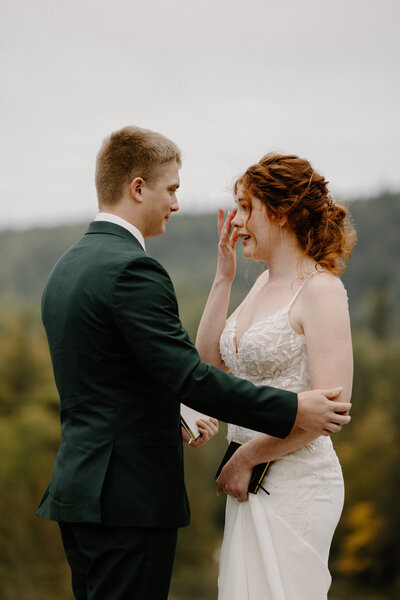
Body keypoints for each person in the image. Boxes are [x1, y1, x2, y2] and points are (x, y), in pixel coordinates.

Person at [36, 129, 351, 600]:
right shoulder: (134, 269)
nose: (179, 204)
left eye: (246, 207)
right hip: (133, 501)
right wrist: (289, 410)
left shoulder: (67, 266)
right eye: (173, 190)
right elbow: (196, 371)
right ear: (138, 188)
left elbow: (122, 375)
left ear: (281, 212)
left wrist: (188, 415)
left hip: (89, 491)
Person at [196, 153, 356, 599]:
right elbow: (208, 364)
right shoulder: (261, 284)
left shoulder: (321, 290)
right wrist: (223, 278)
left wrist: (247, 457)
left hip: (296, 480)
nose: (237, 220)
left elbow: (333, 411)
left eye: (247, 207)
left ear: (281, 212)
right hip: (248, 481)